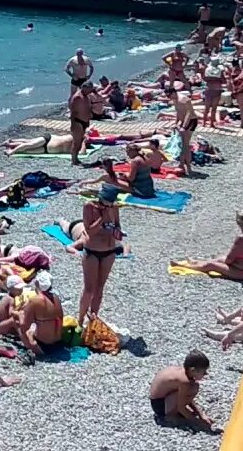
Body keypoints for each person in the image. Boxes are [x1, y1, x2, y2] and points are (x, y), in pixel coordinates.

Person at [171, 210, 243, 280]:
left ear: (237, 222)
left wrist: (225, 261)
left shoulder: (242, 238)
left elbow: (229, 260)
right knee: (219, 259)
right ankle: (196, 262)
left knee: (212, 264)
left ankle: (185, 266)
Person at [77, 189, 123, 324]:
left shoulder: (114, 208)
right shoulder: (89, 207)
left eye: (110, 204)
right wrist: (102, 218)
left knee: (99, 289)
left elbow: (118, 224)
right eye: (106, 204)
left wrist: (117, 231)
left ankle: (93, 319)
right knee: (89, 289)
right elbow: (89, 231)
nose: (108, 207)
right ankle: (80, 319)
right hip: (92, 250)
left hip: (109, 250)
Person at [149, 351, 213, 430]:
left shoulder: (183, 372)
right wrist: (199, 422)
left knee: (193, 386)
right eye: (204, 372)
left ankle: (172, 413)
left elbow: (186, 397)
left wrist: (201, 414)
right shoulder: (184, 381)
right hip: (159, 406)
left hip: (159, 400)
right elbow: (181, 407)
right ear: (193, 370)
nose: (206, 374)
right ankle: (169, 417)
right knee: (194, 387)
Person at [19, 271, 65, 357]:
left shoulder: (35, 300)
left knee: (17, 321)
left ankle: (33, 348)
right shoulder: (56, 298)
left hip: (42, 345)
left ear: (37, 283)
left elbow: (24, 325)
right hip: (58, 344)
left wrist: (21, 313)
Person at [89, 145, 155, 198]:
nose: (127, 154)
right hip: (149, 188)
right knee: (119, 177)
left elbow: (131, 178)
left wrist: (126, 175)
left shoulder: (135, 161)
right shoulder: (145, 157)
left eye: (127, 152)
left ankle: (92, 187)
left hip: (140, 190)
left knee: (109, 179)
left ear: (132, 151)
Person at [170, 89, 197, 176]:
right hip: (183, 123)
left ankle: (187, 166)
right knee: (183, 145)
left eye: (169, 95)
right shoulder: (174, 99)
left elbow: (189, 113)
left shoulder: (184, 99)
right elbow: (178, 112)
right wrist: (176, 123)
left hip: (191, 121)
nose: (169, 97)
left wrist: (184, 126)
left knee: (185, 145)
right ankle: (182, 164)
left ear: (173, 93)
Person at [68, 81, 94, 166]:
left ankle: (76, 158)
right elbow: (73, 111)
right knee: (77, 142)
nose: (90, 91)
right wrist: (73, 124)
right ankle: (74, 159)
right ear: (84, 88)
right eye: (89, 90)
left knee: (81, 141)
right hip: (77, 121)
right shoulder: (77, 97)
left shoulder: (86, 96)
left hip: (85, 121)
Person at [2, 133, 76, 155]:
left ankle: (10, 145)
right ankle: (11, 150)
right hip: (49, 139)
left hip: (47, 150)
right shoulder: (77, 135)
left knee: (27, 150)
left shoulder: (79, 145)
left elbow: (82, 153)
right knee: (30, 143)